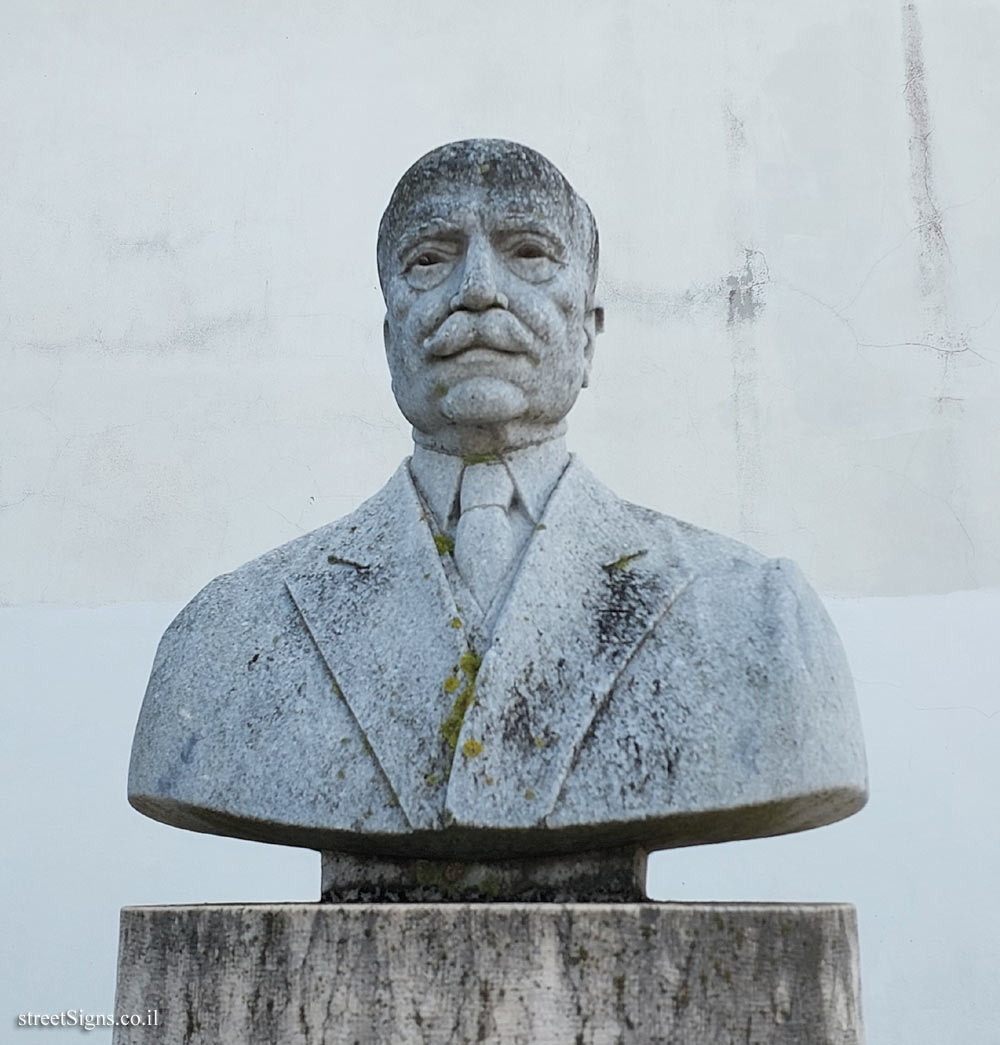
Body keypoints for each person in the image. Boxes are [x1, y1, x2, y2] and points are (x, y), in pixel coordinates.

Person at [129, 139, 866, 867]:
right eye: (430, 258)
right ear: (391, 341)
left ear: (589, 333)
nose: (477, 288)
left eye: (529, 252)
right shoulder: (224, 640)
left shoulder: (760, 621)